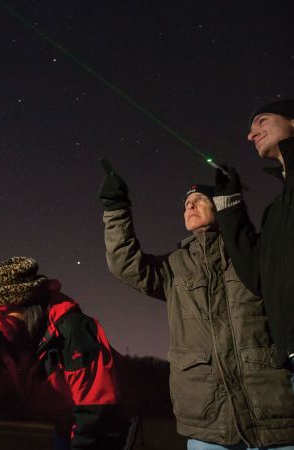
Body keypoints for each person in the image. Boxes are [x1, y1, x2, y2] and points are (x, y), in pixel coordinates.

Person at [99, 158, 294, 450]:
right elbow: (125, 264)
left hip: (274, 415)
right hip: (208, 422)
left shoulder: (253, 252)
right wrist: (116, 210)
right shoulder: (175, 265)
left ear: (219, 205)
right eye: (186, 203)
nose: (189, 206)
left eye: (199, 199)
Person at [0, 256, 131, 450]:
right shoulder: (13, 342)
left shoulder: (72, 330)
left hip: (108, 425)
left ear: (29, 305)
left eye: (5, 313)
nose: (0, 323)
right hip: (65, 424)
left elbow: (97, 407)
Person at [212, 99, 294, 384]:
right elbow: (257, 276)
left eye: (263, 121)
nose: (251, 134)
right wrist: (229, 205)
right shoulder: (277, 210)